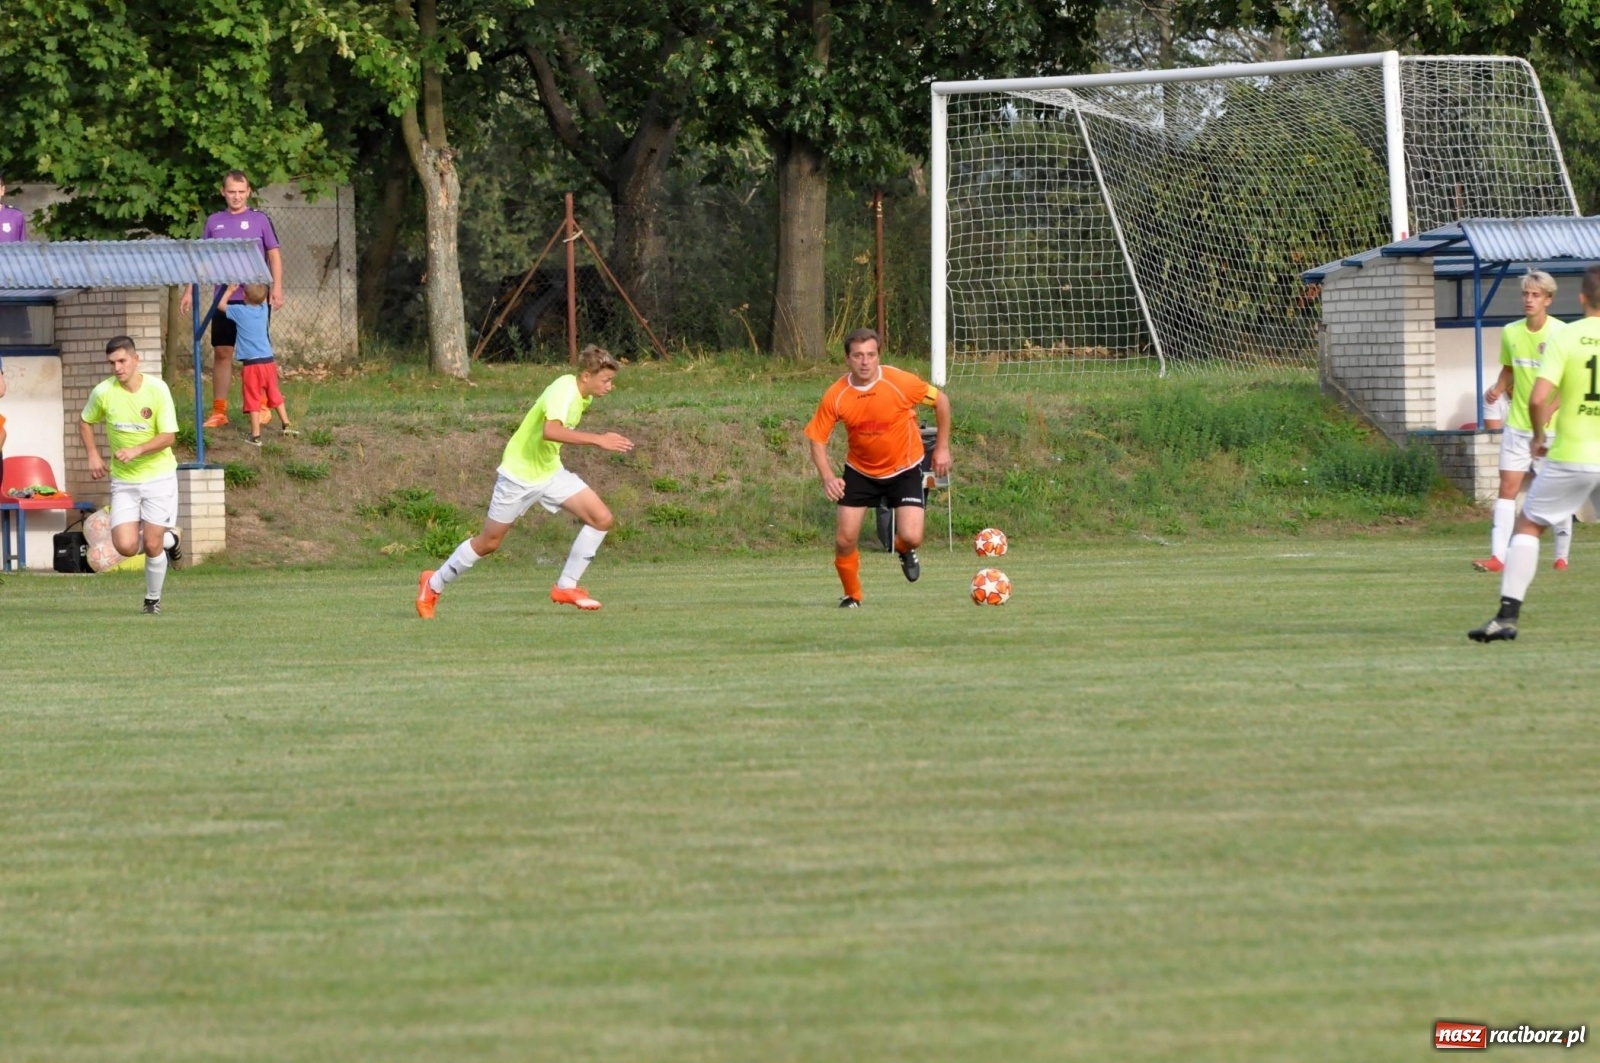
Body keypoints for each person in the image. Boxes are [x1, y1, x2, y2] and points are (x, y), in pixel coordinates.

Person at [416, 344, 633, 617]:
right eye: (606, 380)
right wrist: (598, 440)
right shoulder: (564, 390)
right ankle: (432, 583)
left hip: (549, 472)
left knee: (601, 519)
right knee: (489, 543)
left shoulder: (583, 396)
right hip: (519, 476)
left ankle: (566, 586)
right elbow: (550, 431)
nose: (610, 386)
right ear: (586, 376)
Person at [1469, 264, 1600, 642]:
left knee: (1529, 524)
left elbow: (1539, 397)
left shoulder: (1567, 336)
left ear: (1579, 298)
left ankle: (1507, 617)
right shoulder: (1527, 333)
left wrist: (1540, 435)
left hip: (1572, 449)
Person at [805, 327, 951, 607]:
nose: (865, 361)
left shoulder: (900, 382)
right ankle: (853, 596)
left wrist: (942, 448)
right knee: (845, 539)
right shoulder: (836, 394)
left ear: (878, 356)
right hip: (860, 472)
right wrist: (827, 477)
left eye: (871, 355)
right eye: (858, 355)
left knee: (912, 536)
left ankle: (903, 549)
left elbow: (941, 401)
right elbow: (816, 438)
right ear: (847, 359)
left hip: (905, 468)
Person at [1473, 270, 1572, 573]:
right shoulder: (1511, 332)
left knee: (1555, 494)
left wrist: (1551, 410)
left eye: (1535, 295)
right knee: (1507, 488)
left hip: (1552, 429)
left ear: (1548, 300)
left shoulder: (1562, 334)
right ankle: (1498, 558)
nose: (1529, 300)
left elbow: (1569, 383)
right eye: (1525, 294)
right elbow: (1509, 369)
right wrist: (1497, 389)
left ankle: (1561, 556)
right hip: (1517, 425)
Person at [78, 336, 184, 614]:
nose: (117, 367)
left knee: (151, 544)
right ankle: (169, 539)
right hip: (124, 481)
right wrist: (92, 454)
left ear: (136, 360)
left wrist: (137, 449)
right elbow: (85, 421)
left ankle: (152, 600)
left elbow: (168, 436)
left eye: (122, 361)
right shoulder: (103, 392)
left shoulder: (157, 390)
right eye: (112, 362)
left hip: (158, 477)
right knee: (124, 546)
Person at [178, 171, 284, 429]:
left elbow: (274, 255)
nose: (236, 196)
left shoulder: (260, 220)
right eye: (231, 191)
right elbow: (202, 259)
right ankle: (219, 410)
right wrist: (189, 290)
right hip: (223, 300)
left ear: (248, 192)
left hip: (254, 301)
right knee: (223, 351)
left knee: (256, 355)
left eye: (241, 191)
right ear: (223, 192)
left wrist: (277, 288)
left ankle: (262, 404)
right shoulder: (214, 222)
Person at [217, 282, 297, 445]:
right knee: (274, 392)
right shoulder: (264, 310)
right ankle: (286, 424)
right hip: (268, 361)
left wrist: (230, 290)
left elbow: (220, 305)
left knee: (253, 397)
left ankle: (255, 435)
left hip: (252, 365)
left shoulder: (239, 311)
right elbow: (263, 297)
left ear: (244, 296)